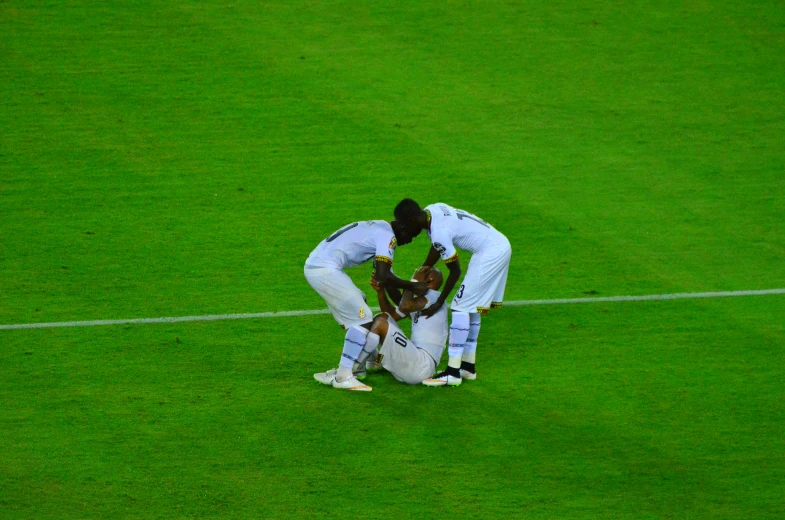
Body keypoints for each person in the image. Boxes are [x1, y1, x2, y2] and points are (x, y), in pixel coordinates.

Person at [393, 199, 512, 387]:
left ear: (413, 219)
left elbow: (455, 271)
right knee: (470, 307)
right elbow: (436, 246)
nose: (406, 231)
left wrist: (440, 301)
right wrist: (425, 268)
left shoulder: (439, 231)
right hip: (497, 245)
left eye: (405, 225)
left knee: (460, 306)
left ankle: (453, 372)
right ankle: (467, 367)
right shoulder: (433, 209)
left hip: (490, 253)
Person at [305, 219, 429, 389]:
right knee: (362, 318)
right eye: (410, 234)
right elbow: (383, 275)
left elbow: (386, 277)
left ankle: (367, 362)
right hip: (324, 270)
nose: (410, 240)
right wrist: (413, 286)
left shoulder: (380, 228)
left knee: (360, 304)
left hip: (319, 266)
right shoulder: (387, 237)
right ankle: (343, 376)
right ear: (401, 226)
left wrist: (403, 306)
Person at [314, 266, 448, 391]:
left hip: (421, 365)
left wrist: (412, 283)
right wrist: (381, 289)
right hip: (415, 364)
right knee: (381, 318)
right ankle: (375, 361)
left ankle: (352, 369)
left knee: (380, 322)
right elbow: (390, 313)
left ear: (429, 280)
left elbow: (404, 305)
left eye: (419, 273)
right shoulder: (421, 302)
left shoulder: (435, 296)